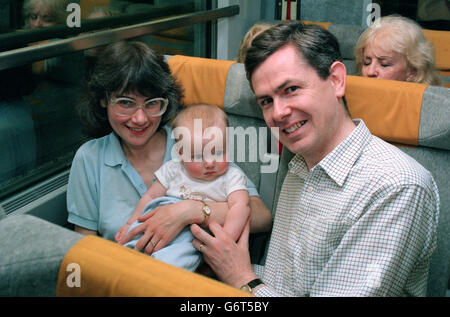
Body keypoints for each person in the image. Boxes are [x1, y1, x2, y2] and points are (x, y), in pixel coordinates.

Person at [191, 21, 440, 296]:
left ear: (336, 80)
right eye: (266, 101)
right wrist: (219, 264)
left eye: (291, 89)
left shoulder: (396, 186)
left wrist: (241, 276)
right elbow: (290, 284)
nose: (278, 113)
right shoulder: (299, 164)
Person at [67, 41, 272, 257]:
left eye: (152, 103)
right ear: (103, 100)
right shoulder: (89, 158)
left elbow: (262, 217)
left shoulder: (193, 144)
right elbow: (85, 245)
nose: (140, 118)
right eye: (126, 103)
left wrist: (190, 211)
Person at [115, 104, 251, 271]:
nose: (210, 163)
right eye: (198, 156)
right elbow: (150, 197)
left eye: (217, 152)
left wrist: (226, 239)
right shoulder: (173, 168)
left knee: (174, 261)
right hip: (157, 219)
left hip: (194, 234)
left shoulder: (231, 175)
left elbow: (240, 207)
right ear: (180, 153)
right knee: (129, 248)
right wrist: (130, 224)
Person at [354, 15, 442, 86]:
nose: (370, 72)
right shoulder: (350, 100)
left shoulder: (429, 106)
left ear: (412, 71)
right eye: (366, 62)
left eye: (384, 64)